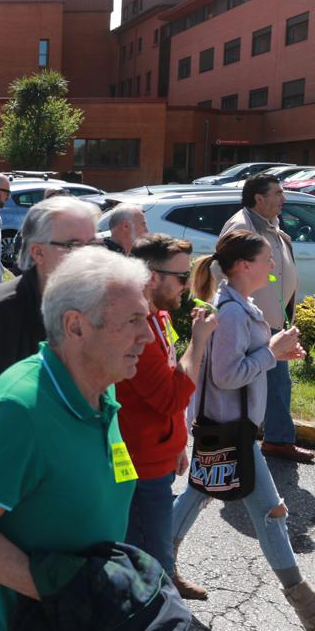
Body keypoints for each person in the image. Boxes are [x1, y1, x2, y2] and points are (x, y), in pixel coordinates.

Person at [0, 246, 153, 631]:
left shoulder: (101, 386)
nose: (146, 335)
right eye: (132, 321)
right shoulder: (19, 411)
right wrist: (71, 592)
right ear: (75, 327)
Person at [172, 230, 315, 629]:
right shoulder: (233, 312)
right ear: (242, 266)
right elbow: (227, 374)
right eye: (267, 259)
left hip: (229, 428)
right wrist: (272, 352)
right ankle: (307, 605)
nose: (273, 265)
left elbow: (239, 362)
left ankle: (154, 568)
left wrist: (277, 348)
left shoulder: (240, 305)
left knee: (197, 494)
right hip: (231, 429)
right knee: (272, 512)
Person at [0, 197, 101, 456]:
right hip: (8, 474)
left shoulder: (92, 308)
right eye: (73, 245)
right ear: (37, 252)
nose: (88, 256)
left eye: (92, 244)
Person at [115, 233, 214, 598]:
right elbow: (171, 396)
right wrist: (200, 342)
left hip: (157, 453)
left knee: (156, 549)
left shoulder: (157, 315)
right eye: (180, 277)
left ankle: (167, 582)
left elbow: (171, 375)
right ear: (152, 277)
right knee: (148, 561)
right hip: (141, 464)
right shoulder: (134, 326)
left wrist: (176, 443)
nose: (186, 285)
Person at [221, 174, 311, 463]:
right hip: (254, 321)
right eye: (277, 193)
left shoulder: (269, 225)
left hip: (271, 319)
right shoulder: (241, 226)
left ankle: (270, 440)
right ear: (258, 198)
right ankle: (274, 441)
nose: (283, 199)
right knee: (274, 382)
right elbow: (224, 271)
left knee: (274, 383)